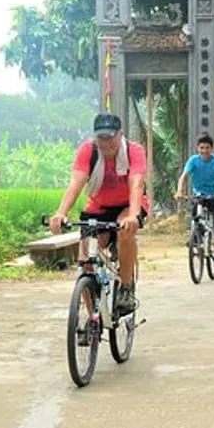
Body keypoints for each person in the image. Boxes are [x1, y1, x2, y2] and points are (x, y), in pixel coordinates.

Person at [50, 112, 148, 317]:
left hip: (127, 205)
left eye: (110, 137)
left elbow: (136, 183)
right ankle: (92, 318)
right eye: (101, 138)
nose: (105, 143)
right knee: (86, 262)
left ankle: (126, 287)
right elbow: (76, 183)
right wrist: (60, 213)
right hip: (98, 207)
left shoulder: (134, 151)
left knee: (124, 231)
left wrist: (133, 215)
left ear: (120, 135)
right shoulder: (88, 151)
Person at [175, 133, 214, 267]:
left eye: (207, 148)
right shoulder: (193, 161)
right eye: (202, 148)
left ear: (212, 149)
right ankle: (195, 237)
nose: (204, 151)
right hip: (199, 195)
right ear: (197, 148)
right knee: (195, 217)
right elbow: (184, 176)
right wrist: (180, 191)